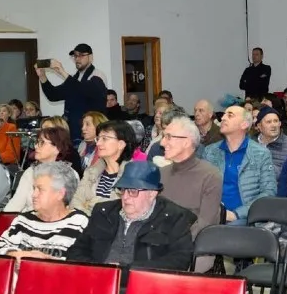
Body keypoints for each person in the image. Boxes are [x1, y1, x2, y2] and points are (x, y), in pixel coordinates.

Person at [67, 161, 196, 284]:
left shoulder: (174, 218)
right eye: (123, 190)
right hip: (97, 282)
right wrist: (99, 270)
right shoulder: (103, 212)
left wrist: (126, 271)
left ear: (152, 194)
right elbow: (77, 251)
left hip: (144, 287)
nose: (125, 197)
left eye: (133, 191)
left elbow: (180, 260)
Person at [0, 162, 88, 260]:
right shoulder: (23, 220)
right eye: (34, 189)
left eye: (40, 189)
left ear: (60, 194)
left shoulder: (79, 222)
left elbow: (82, 264)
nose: (34, 194)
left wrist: (46, 261)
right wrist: (17, 255)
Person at [203, 106, 276, 224]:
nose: (223, 118)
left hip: (245, 218)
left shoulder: (261, 154)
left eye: (230, 115)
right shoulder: (210, 151)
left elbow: (268, 192)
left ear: (244, 124)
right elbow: (202, 186)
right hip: (214, 215)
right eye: (224, 114)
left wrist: (237, 214)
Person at [159, 114, 223, 242]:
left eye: (168, 137)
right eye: (163, 137)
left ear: (186, 142)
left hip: (195, 245)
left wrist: (172, 242)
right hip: (159, 242)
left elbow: (205, 224)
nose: (162, 142)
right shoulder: (160, 173)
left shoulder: (210, 175)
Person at [37, 43, 107, 144]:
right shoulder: (75, 78)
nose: (77, 59)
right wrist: (42, 76)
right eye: (75, 56)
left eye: (81, 55)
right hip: (73, 132)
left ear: (91, 57)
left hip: (92, 133)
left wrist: (62, 71)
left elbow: (83, 90)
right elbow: (53, 95)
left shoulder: (97, 75)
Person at [5, 126, 78, 213]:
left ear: (57, 148)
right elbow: (15, 204)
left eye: (42, 142)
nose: (36, 146)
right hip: (28, 220)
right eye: (37, 142)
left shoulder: (69, 175)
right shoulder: (30, 172)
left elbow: (71, 208)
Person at [71, 121, 136, 215]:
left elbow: (120, 211)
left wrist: (89, 204)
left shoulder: (133, 175)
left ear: (121, 144)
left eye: (104, 139)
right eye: (98, 138)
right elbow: (75, 203)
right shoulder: (91, 171)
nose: (98, 143)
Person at [255, 107, 287, 180]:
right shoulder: (250, 143)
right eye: (269, 122)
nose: (273, 125)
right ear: (259, 126)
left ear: (280, 124)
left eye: (276, 121)